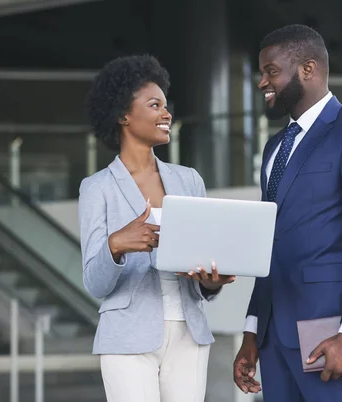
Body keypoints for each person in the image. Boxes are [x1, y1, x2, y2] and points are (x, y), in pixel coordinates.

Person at [232, 25, 342, 401]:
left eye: (271, 71)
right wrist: (252, 332)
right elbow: (268, 244)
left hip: (332, 336)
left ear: (307, 69)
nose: (262, 82)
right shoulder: (274, 147)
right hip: (274, 339)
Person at [79, 54, 235, 402]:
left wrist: (210, 282)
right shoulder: (97, 188)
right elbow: (95, 282)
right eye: (154, 105)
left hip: (189, 335)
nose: (167, 114)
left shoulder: (189, 180)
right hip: (126, 336)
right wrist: (116, 244)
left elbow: (203, 262)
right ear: (122, 115)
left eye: (167, 106)